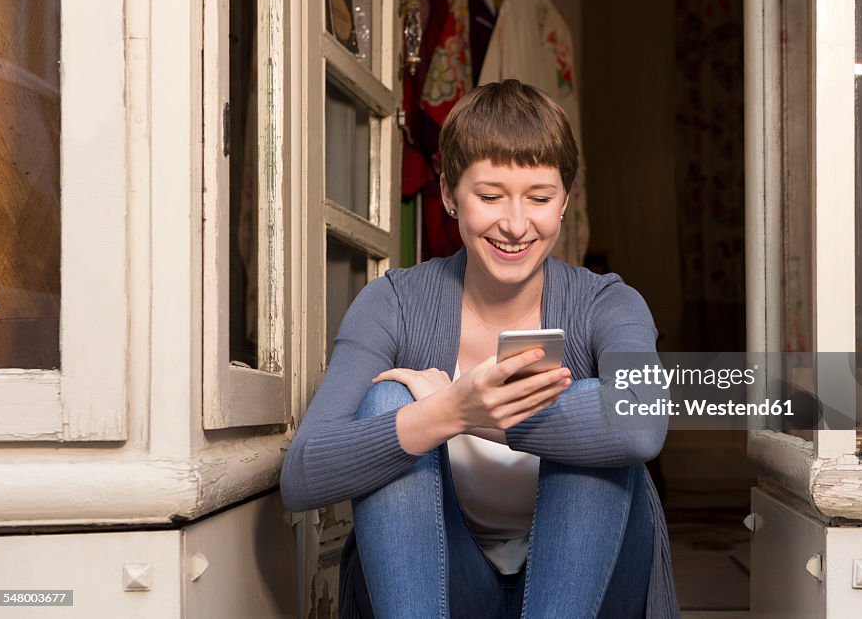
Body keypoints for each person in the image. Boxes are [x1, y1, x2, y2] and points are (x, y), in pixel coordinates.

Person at [280, 79, 680, 619]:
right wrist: (441, 413)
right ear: (448, 194)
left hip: (589, 587)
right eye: (490, 197)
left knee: (598, 415)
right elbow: (303, 474)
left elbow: (642, 423)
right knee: (390, 404)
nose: (516, 225)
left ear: (565, 199)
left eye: (539, 198)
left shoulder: (607, 302)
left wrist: (475, 415)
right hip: (445, 584)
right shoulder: (393, 304)